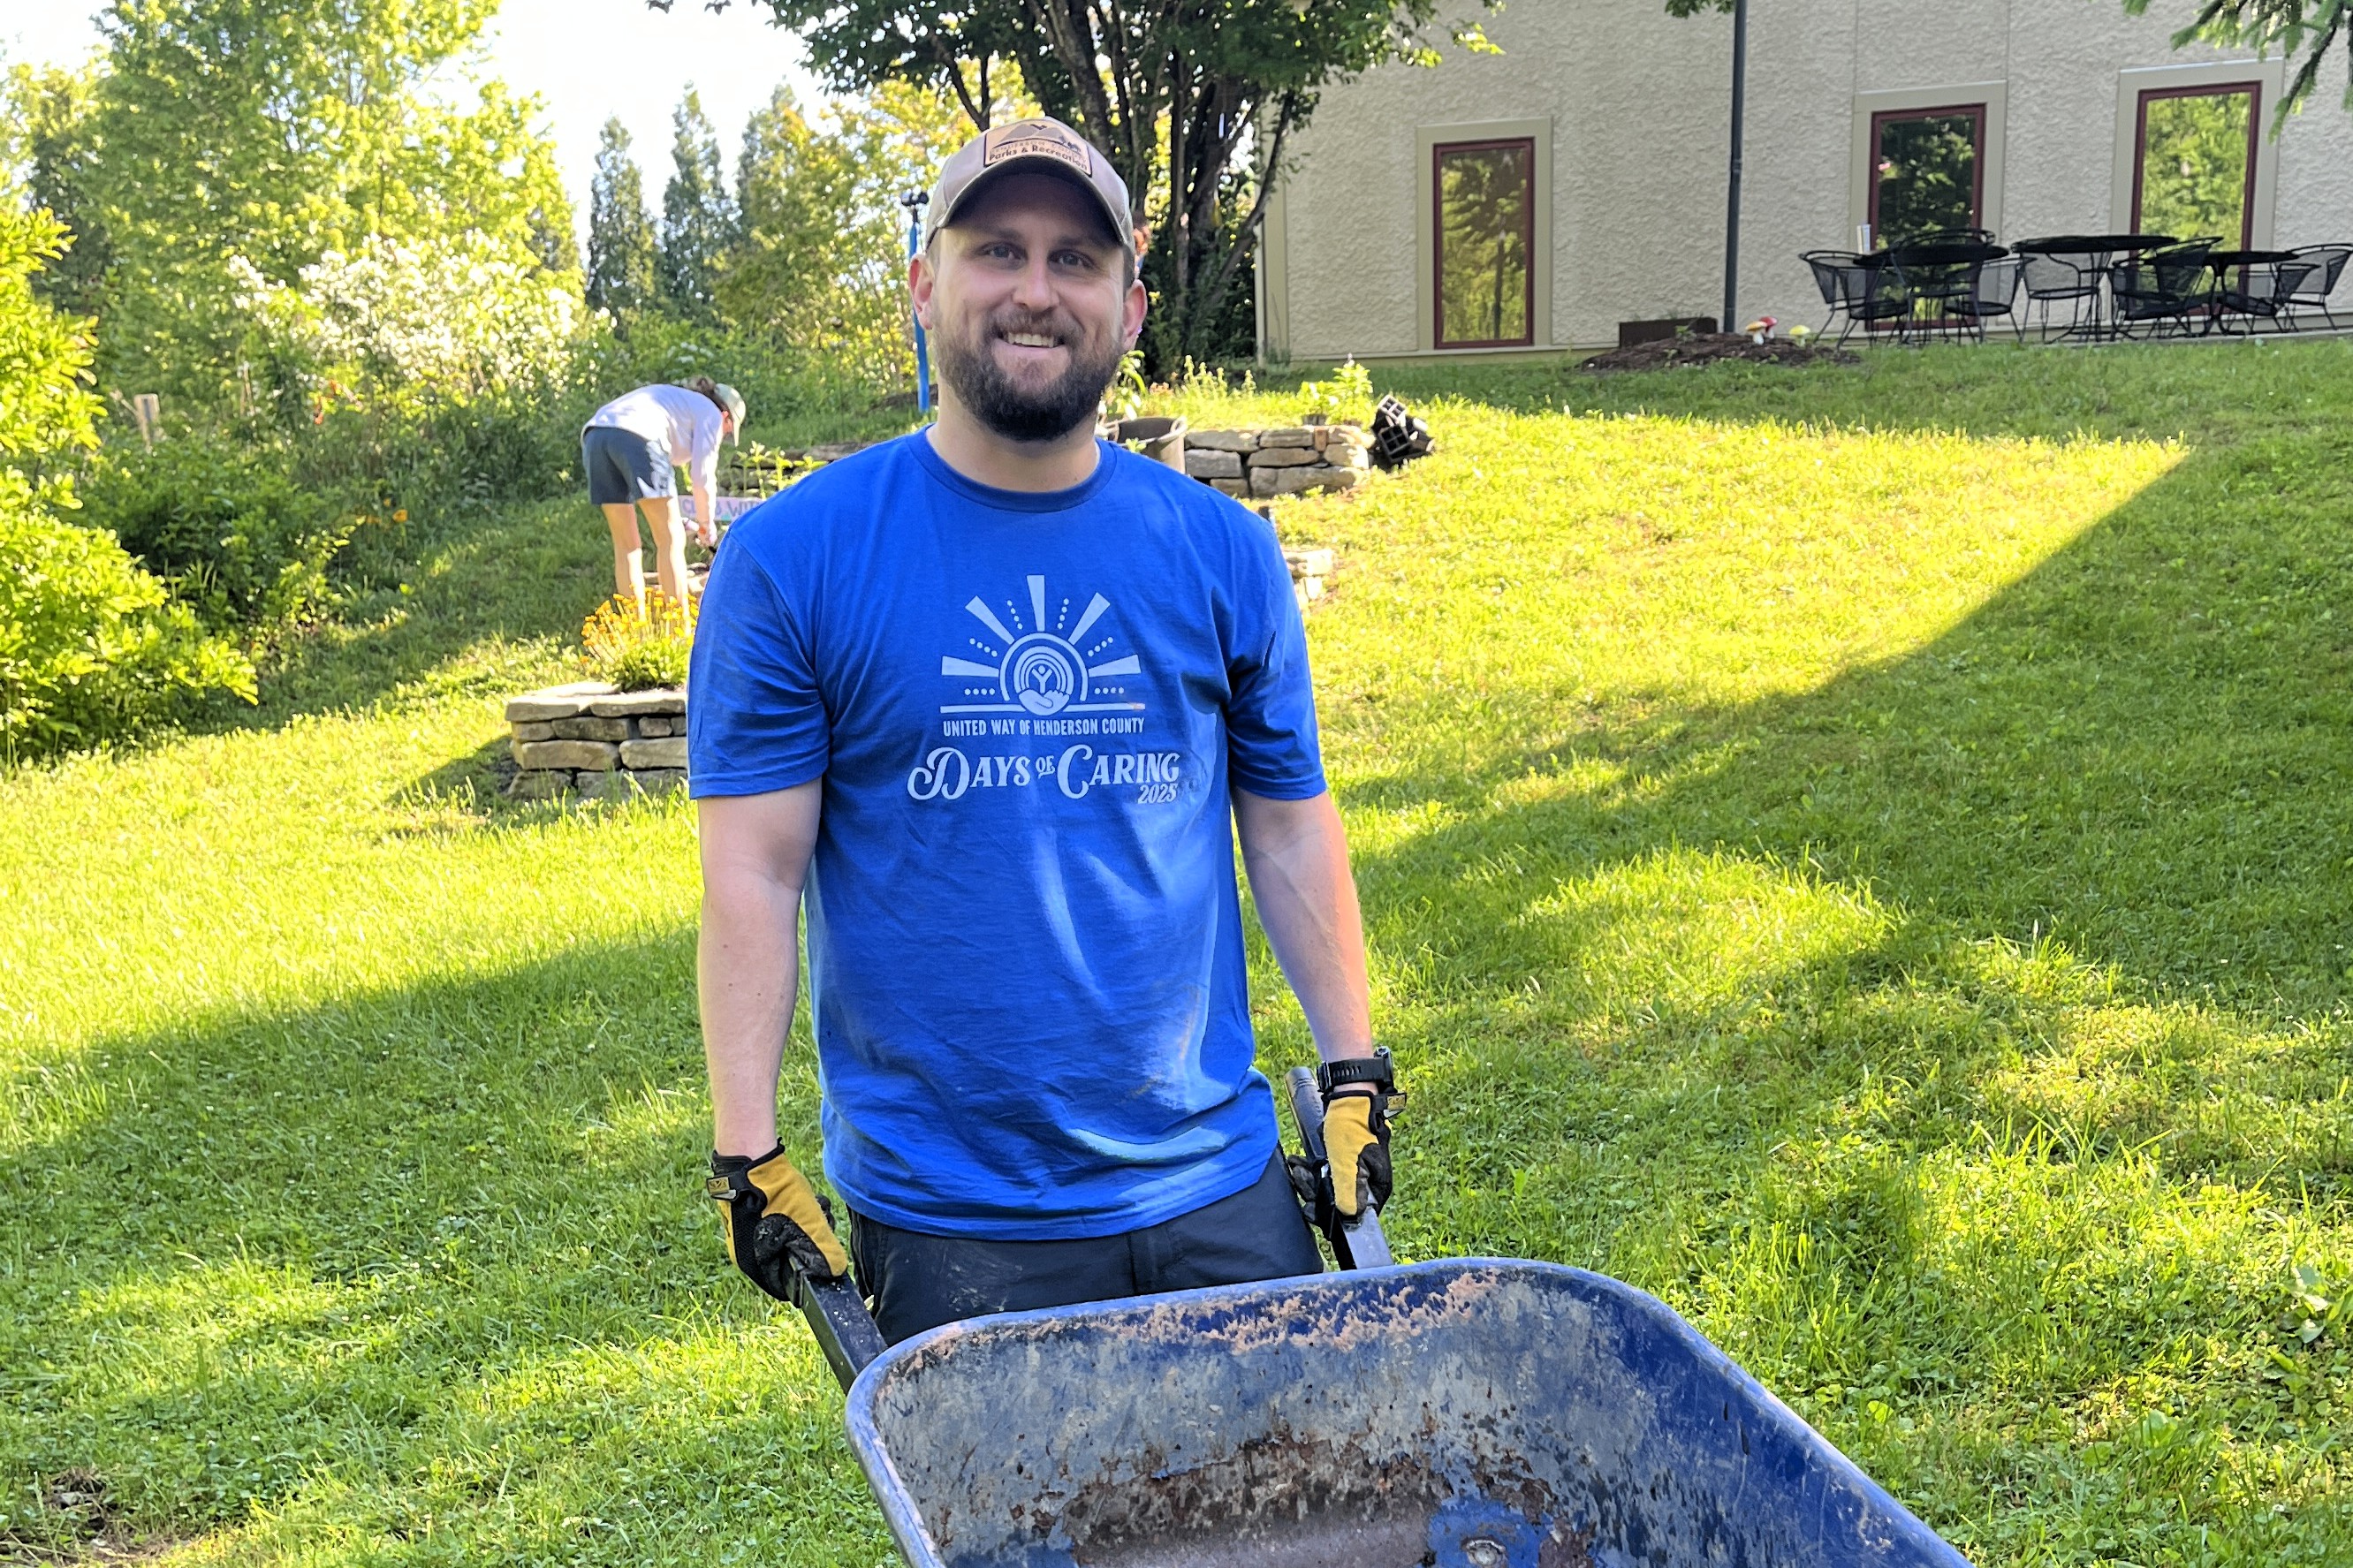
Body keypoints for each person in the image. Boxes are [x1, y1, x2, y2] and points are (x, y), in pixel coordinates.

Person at [689, 117, 1400, 1344]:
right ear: (923, 285)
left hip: (1214, 1177)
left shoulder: (1220, 549)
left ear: (1128, 307)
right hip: (952, 1215)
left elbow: (1286, 827)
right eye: (995, 251)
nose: (1034, 289)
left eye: (1076, 258)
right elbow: (752, 869)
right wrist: (745, 1149)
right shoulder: (793, 558)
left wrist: (1351, 1067)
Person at [580, 376, 746, 612]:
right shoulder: (710, 413)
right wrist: (707, 525)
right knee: (670, 539)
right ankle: (678, 627)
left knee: (626, 544)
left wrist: (688, 520)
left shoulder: (680, 404)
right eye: (728, 432)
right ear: (726, 416)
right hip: (638, 435)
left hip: (596, 435)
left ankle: (634, 629)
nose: (723, 436)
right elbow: (702, 476)